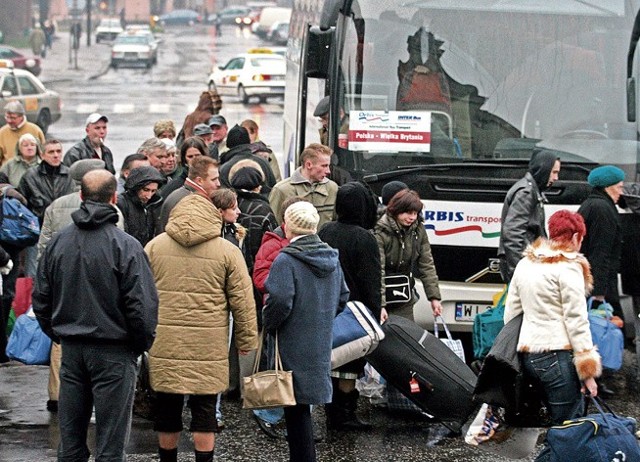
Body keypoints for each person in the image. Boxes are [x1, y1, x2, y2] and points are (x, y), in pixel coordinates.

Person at [32, 169, 159, 462]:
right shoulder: (125, 246)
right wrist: (138, 344)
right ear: (114, 198)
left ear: (81, 196)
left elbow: (42, 298)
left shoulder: (59, 243)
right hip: (114, 349)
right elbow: (142, 306)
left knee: (71, 440)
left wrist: (58, 332)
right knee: (111, 444)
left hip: (73, 349)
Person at [145, 194, 257, 462]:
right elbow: (243, 301)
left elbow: (139, 296)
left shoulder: (153, 247)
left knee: (167, 409)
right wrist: (246, 341)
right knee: (205, 411)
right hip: (208, 344)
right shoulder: (228, 251)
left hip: (165, 343)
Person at [503, 210, 601, 462]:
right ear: (577, 236)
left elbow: (511, 313)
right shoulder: (568, 268)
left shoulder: (526, 263)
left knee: (557, 427)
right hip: (556, 355)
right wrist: (588, 372)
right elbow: (577, 321)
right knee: (568, 428)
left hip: (529, 355)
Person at [263, 201, 350, 462]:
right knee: (304, 405)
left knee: (295, 406)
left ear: (288, 225)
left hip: (291, 340)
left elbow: (279, 302)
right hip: (319, 340)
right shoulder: (331, 258)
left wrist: (268, 322)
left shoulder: (286, 260)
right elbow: (343, 297)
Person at [36, 159, 119, 414]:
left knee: (62, 344)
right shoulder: (113, 210)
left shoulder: (56, 206)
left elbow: (43, 248)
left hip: (63, 283)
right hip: (99, 288)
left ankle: (57, 395)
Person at [318, 181, 382, 431]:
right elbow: (371, 281)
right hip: (354, 310)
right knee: (350, 363)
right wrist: (374, 317)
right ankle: (344, 414)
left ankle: (331, 411)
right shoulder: (364, 238)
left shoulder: (326, 230)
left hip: (326, 307)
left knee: (332, 359)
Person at [250, 196, 305, 438]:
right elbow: (260, 278)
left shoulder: (309, 241)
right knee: (275, 366)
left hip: (301, 312)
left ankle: (301, 419)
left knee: (299, 367)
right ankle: (269, 415)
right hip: (278, 310)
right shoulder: (272, 243)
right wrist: (286, 283)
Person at [375, 189, 442, 321]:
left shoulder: (418, 230)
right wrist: (380, 305)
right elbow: (378, 270)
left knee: (406, 335)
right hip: (383, 293)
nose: (412, 217)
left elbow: (427, 265)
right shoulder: (380, 231)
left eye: (415, 213)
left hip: (404, 296)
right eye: (407, 213)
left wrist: (434, 298)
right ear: (396, 211)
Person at [497, 149, 561, 283]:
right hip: (525, 268)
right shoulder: (526, 192)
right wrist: (519, 272)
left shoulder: (531, 190)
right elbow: (513, 235)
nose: (556, 178)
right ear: (543, 169)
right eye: (554, 172)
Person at [269, 143, 338, 229]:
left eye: (328, 166)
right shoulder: (282, 190)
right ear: (309, 165)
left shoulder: (332, 188)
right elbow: (273, 226)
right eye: (324, 166)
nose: (328, 171)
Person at [157, 156, 220, 234]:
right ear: (199, 180)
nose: (218, 184)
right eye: (214, 180)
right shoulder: (192, 201)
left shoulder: (181, 194)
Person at [19, 139, 74, 223]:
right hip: (39, 226)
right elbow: (21, 205)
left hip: (65, 225)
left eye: (58, 151)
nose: (56, 155)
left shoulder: (71, 175)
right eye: (51, 152)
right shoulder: (30, 177)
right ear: (42, 155)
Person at [219, 125, 276, 194]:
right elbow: (273, 189)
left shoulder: (224, 168)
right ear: (248, 142)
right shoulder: (263, 162)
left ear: (228, 144)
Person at [117, 166, 166, 247]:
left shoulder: (154, 204)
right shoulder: (122, 204)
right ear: (135, 187)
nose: (149, 196)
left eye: (153, 191)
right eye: (146, 190)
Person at [313, 96, 352, 185]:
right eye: (321, 120)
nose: (323, 123)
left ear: (340, 113)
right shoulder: (328, 131)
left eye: (326, 118)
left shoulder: (349, 130)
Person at [0, 101, 45, 166]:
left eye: (13, 118)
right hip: (9, 172)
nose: (9, 121)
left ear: (21, 116)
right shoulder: (2, 132)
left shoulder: (35, 130)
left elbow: (43, 154)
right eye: (7, 117)